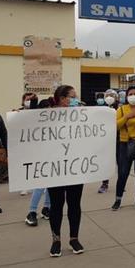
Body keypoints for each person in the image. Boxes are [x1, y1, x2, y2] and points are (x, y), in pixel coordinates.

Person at [47, 85, 84, 257]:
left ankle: (74, 238)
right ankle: (56, 241)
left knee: (74, 204)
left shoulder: (80, 115)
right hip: (55, 169)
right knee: (56, 205)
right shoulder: (46, 115)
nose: (75, 99)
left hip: (75, 167)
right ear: (62, 98)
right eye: (72, 96)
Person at [24, 99, 51, 227]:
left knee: (51, 185)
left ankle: (46, 208)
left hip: (53, 158)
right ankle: (32, 212)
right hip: (40, 158)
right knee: (40, 185)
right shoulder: (36, 122)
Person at [97, 89, 120, 194]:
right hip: (106, 141)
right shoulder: (102, 109)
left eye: (112, 96)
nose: (110, 98)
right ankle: (104, 183)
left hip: (118, 140)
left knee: (121, 163)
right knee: (105, 163)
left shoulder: (120, 109)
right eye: (108, 96)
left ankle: (121, 183)